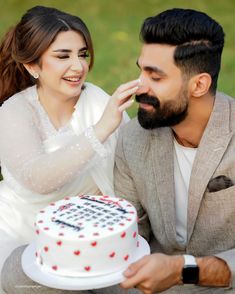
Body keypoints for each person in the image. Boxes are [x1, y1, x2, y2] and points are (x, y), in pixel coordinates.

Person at [2, 7, 235, 294]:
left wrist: (184, 270)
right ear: (33, 66)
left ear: (199, 84)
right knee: (18, 269)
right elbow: (132, 230)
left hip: (220, 279)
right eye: (141, 70)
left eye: (155, 77)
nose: (139, 87)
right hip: (138, 273)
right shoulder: (134, 137)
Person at [0, 5, 139, 293]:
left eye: (83, 54)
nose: (78, 66)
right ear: (32, 66)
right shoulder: (14, 112)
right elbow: (37, 177)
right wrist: (100, 130)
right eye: (63, 56)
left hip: (91, 239)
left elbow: (133, 172)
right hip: (20, 233)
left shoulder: (98, 102)